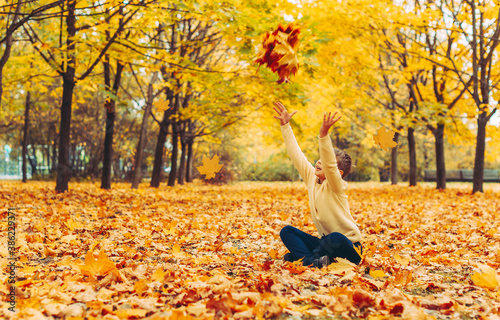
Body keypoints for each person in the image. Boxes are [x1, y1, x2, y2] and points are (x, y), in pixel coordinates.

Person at [273, 102, 363, 268]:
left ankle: (305, 259)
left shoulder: (337, 186)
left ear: (338, 173)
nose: (320, 161)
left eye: (327, 162)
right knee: (287, 232)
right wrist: (285, 126)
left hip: (348, 247)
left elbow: (329, 164)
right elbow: (296, 154)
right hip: (325, 245)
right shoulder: (311, 178)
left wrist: (323, 134)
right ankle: (313, 260)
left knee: (334, 238)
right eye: (320, 159)